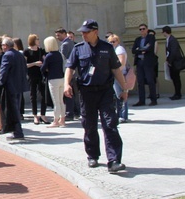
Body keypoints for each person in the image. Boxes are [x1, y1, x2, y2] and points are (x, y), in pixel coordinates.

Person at [64, 20, 127, 173]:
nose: (83, 34)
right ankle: (92, 156)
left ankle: (114, 160)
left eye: (86, 32)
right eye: (82, 32)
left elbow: (116, 69)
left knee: (110, 124)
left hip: (105, 91)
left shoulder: (107, 48)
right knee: (89, 125)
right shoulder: (78, 49)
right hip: (87, 92)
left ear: (95, 31)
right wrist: (67, 84)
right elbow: (70, 68)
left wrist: (124, 88)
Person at [0, 37, 29, 141]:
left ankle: (18, 132)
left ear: (6, 46)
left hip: (11, 86)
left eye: (2, 45)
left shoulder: (7, 55)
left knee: (13, 110)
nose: (2, 47)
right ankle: (16, 131)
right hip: (19, 85)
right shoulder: (19, 54)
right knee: (15, 109)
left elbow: (4, 71)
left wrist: (0, 83)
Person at [40, 36, 66, 128]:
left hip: (53, 79)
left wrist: (44, 67)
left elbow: (42, 69)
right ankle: (62, 120)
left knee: (56, 102)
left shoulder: (49, 56)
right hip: (61, 78)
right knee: (61, 101)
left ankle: (55, 121)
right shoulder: (59, 54)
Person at [23, 34, 48, 124]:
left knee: (43, 95)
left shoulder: (41, 50)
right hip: (32, 75)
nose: (38, 40)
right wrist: (34, 63)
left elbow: (45, 60)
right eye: (37, 39)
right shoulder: (26, 51)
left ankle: (43, 114)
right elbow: (24, 65)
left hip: (41, 74)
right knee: (33, 95)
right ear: (33, 40)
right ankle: (35, 115)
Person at [132, 23, 158, 106]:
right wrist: (141, 50)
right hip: (139, 62)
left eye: (143, 28)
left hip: (148, 62)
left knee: (150, 80)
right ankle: (141, 100)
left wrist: (139, 49)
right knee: (140, 81)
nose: (142, 30)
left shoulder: (151, 37)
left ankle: (153, 100)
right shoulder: (137, 39)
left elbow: (149, 47)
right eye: (140, 29)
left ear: (147, 29)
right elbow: (133, 50)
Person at [107, 34, 130, 123]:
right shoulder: (114, 49)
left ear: (118, 41)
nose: (112, 43)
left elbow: (121, 63)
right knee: (118, 96)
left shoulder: (119, 49)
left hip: (120, 75)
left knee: (122, 95)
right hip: (116, 75)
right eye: (110, 42)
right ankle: (120, 114)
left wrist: (114, 73)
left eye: (114, 41)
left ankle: (123, 116)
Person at [55, 28, 77, 120]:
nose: (57, 37)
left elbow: (62, 59)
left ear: (64, 34)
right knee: (73, 92)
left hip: (68, 71)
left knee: (68, 93)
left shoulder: (65, 44)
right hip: (73, 70)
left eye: (59, 35)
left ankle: (69, 113)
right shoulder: (71, 42)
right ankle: (74, 112)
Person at [162, 26, 184, 100]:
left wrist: (170, 61)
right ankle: (176, 93)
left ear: (165, 32)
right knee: (174, 78)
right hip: (172, 62)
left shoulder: (172, 40)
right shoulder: (168, 39)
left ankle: (178, 94)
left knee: (176, 78)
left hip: (175, 62)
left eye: (163, 32)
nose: (162, 33)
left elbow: (174, 52)